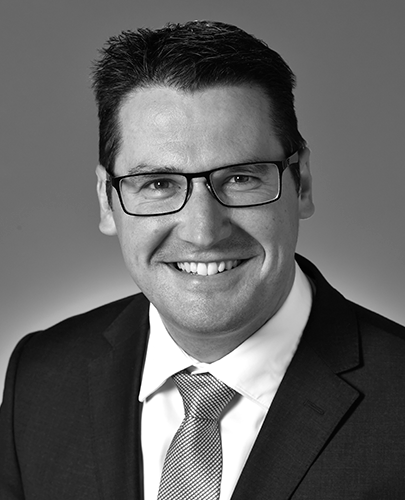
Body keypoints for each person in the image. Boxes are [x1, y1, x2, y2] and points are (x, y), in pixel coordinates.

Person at [1, 20, 404, 500]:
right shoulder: (41, 376)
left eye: (240, 179)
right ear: (108, 203)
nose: (202, 232)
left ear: (304, 185)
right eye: (158, 184)